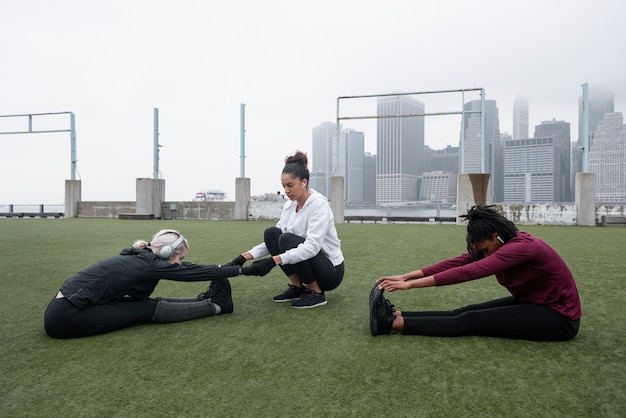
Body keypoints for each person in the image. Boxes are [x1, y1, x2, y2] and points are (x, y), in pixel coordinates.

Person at [370, 205, 581, 341]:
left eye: (486, 250)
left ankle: (390, 323)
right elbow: (457, 262)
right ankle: (397, 315)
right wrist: (407, 276)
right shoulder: (499, 244)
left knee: (471, 320)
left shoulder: (522, 247)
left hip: (559, 318)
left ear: (496, 236)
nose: (484, 255)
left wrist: (410, 286)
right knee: (464, 311)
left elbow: (470, 272)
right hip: (535, 303)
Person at [44, 229, 269, 338]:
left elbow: (189, 269)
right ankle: (217, 306)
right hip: (65, 318)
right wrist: (242, 270)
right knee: (145, 309)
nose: (180, 264)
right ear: (168, 252)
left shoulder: (141, 257)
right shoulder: (148, 264)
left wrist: (229, 269)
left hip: (68, 308)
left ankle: (209, 301)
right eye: (179, 259)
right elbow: (192, 272)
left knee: (145, 304)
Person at [231, 151, 345, 309]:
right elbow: (273, 240)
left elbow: (312, 247)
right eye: (284, 186)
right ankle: (298, 288)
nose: (286, 190)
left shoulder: (319, 205)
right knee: (271, 233)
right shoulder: (289, 205)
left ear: (303, 183)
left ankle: (316, 293)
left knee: (286, 239)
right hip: (309, 263)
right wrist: (244, 257)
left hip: (330, 271)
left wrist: (273, 261)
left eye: (290, 185)